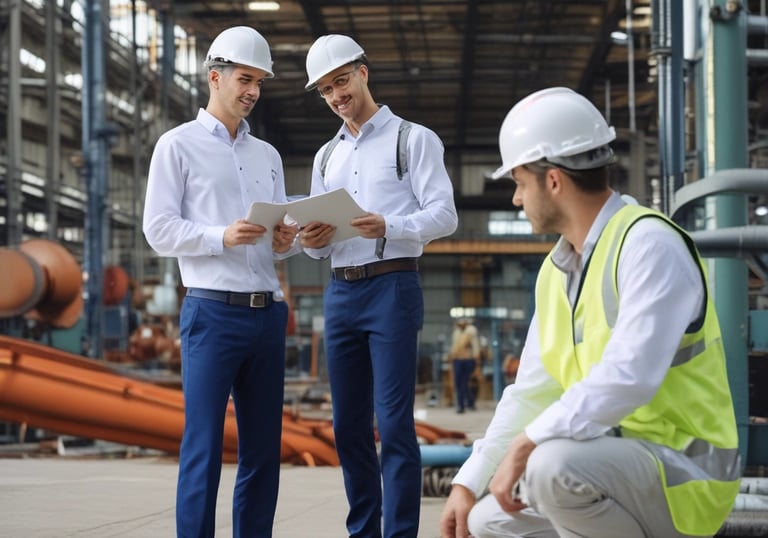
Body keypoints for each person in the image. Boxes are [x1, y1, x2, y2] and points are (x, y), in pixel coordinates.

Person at [439, 87, 741, 538]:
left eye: (519, 183)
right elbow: (531, 392)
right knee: (488, 523)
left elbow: (630, 376)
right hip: (613, 463)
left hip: (686, 473)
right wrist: (469, 480)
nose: (517, 199)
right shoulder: (556, 272)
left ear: (553, 181)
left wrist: (527, 444)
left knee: (550, 466)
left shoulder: (648, 245)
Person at [298, 34, 458, 538]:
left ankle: (400, 533)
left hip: (392, 287)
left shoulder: (413, 140)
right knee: (348, 426)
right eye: (326, 90)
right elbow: (318, 245)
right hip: (341, 293)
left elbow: (445, 215)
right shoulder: (326, 156)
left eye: (341, 81)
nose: (336, 95)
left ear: (363, 73)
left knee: (393, 423)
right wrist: (311, 241)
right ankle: (363, 531)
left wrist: (390, 225)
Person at [142, 26, 299, 538]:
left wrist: (287, 241)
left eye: (259, 82)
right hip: (212, 312)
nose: (253, 91)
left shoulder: (267, 156)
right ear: (215, 77)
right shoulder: (177, 146)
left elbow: (280, 236)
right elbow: (158, 229)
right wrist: (220, 236)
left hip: (267, 314)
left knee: (263, 451)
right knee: (204, 447)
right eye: (244, 79)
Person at [448, 317, 480, 413]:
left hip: (468, 360)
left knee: (464, 383)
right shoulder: (456, 333)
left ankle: (466, 403)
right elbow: (454, 346)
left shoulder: (471, 332)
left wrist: (476, 360)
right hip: (458, 360)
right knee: (459, 383)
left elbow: (475, 346)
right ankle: (464, 404)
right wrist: (452, 355)